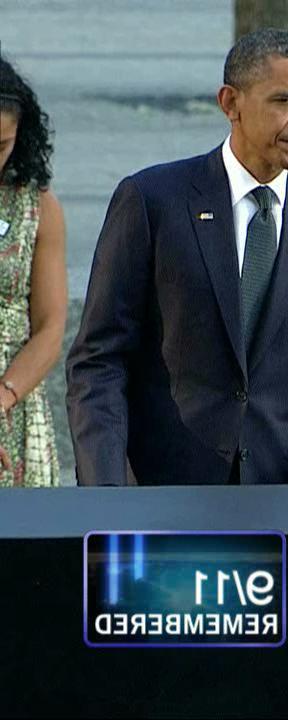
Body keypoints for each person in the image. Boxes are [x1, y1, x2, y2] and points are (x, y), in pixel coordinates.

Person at [66, 30, 288, 486]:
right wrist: (107, 489)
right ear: (231, 103)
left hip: (281, 502)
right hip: (159, 494)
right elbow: (99, 360)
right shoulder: (153, 201)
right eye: (285, 100)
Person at [0, 56, 67, 487]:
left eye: (1, 146)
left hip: (14, 402)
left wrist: (5, 396)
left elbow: (50, 326)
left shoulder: (36, 205)